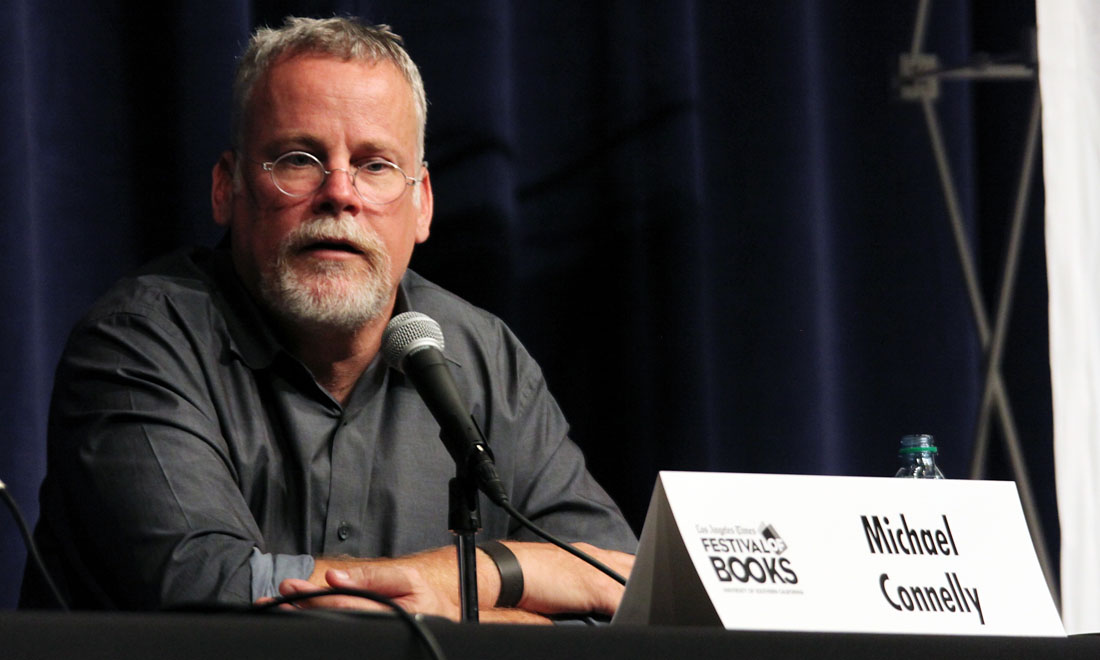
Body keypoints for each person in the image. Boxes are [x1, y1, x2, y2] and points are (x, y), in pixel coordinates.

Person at [20, 16, 636, 622]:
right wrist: (475, 585)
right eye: (299, 159)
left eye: (375, 165)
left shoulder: (485, 359)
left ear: (422, 205)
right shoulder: (138, 343)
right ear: (226, 188)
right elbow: (210, 591)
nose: (340, 193)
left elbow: (615, 587)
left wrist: (466, 590)